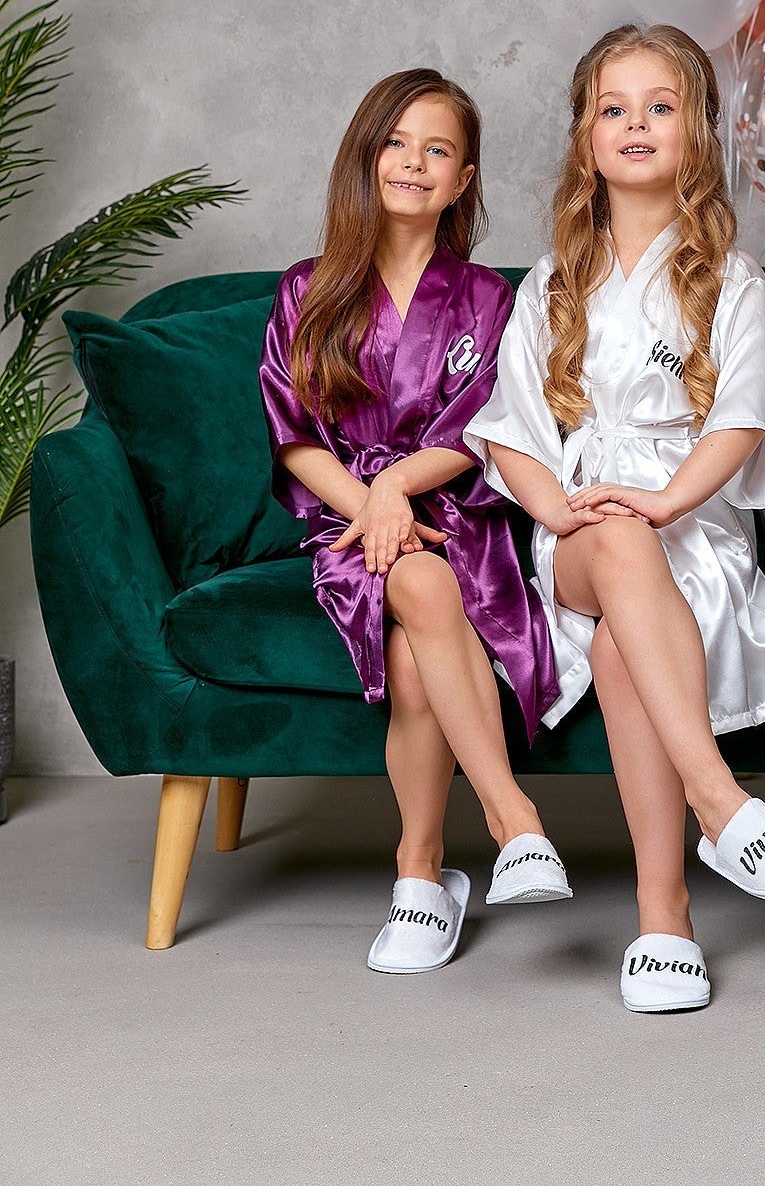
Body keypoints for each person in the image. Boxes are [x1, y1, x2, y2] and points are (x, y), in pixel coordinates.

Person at [466, 24, 765, 1015]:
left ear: (697, 132)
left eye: (660, 106)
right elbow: (508, 427)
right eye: (613, 108)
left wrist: (670, 499)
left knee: (626, 646)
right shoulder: (551, 280)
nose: (635, 124)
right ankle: (722, 803)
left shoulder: (733, 279)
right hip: (577, 524)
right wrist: (559, 506)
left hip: (693, 524)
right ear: (586, 138)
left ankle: (663, 918)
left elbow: (745, 416)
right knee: (617, 541)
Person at [260, 69, 581, 975]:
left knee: (414, 657)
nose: (413, 162)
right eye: (396, 143)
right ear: (365, 159)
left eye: (437, 149)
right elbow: (294, 438)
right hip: (348, 519)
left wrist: (399, 486)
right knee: (420, 583)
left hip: (455, 513)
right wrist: (373, 504)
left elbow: (485, 425)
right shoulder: (307, 288)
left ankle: (419, 873)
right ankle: (513, 820)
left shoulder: (487, 298)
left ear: (462, 178)